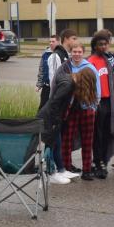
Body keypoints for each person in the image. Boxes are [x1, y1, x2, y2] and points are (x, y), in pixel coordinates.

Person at [62, 40, 99, 181]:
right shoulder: (66, 67)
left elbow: (97, 90)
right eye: (74, 51)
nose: (76, 54)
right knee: (67, 139)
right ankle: (66, 168)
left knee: (87, 141)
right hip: (70, 109)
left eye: (79, 52)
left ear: (83, 53)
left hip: (87, 108)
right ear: (70, 52)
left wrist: (93, 107)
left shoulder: (90, 68)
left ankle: (87, 170)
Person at [87, 30, 114, 178]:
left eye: (105, 44)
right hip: (97, 102)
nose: (103, 47)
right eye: (100, 44)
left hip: (109, 101)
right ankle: (97, 161)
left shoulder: (108, 59)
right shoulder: (90, 61)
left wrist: (111, 59)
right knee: (97, 134)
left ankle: (103, 161)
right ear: (95, 46)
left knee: (108, 132)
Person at [40, 51, 75, 185]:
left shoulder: (69, 82)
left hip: (54, 117)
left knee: (57, 144)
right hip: (49, 118)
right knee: (51, 145)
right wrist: (55, 121)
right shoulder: (68, 85)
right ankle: (51, 172)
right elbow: (54, 102)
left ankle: (60, 169)